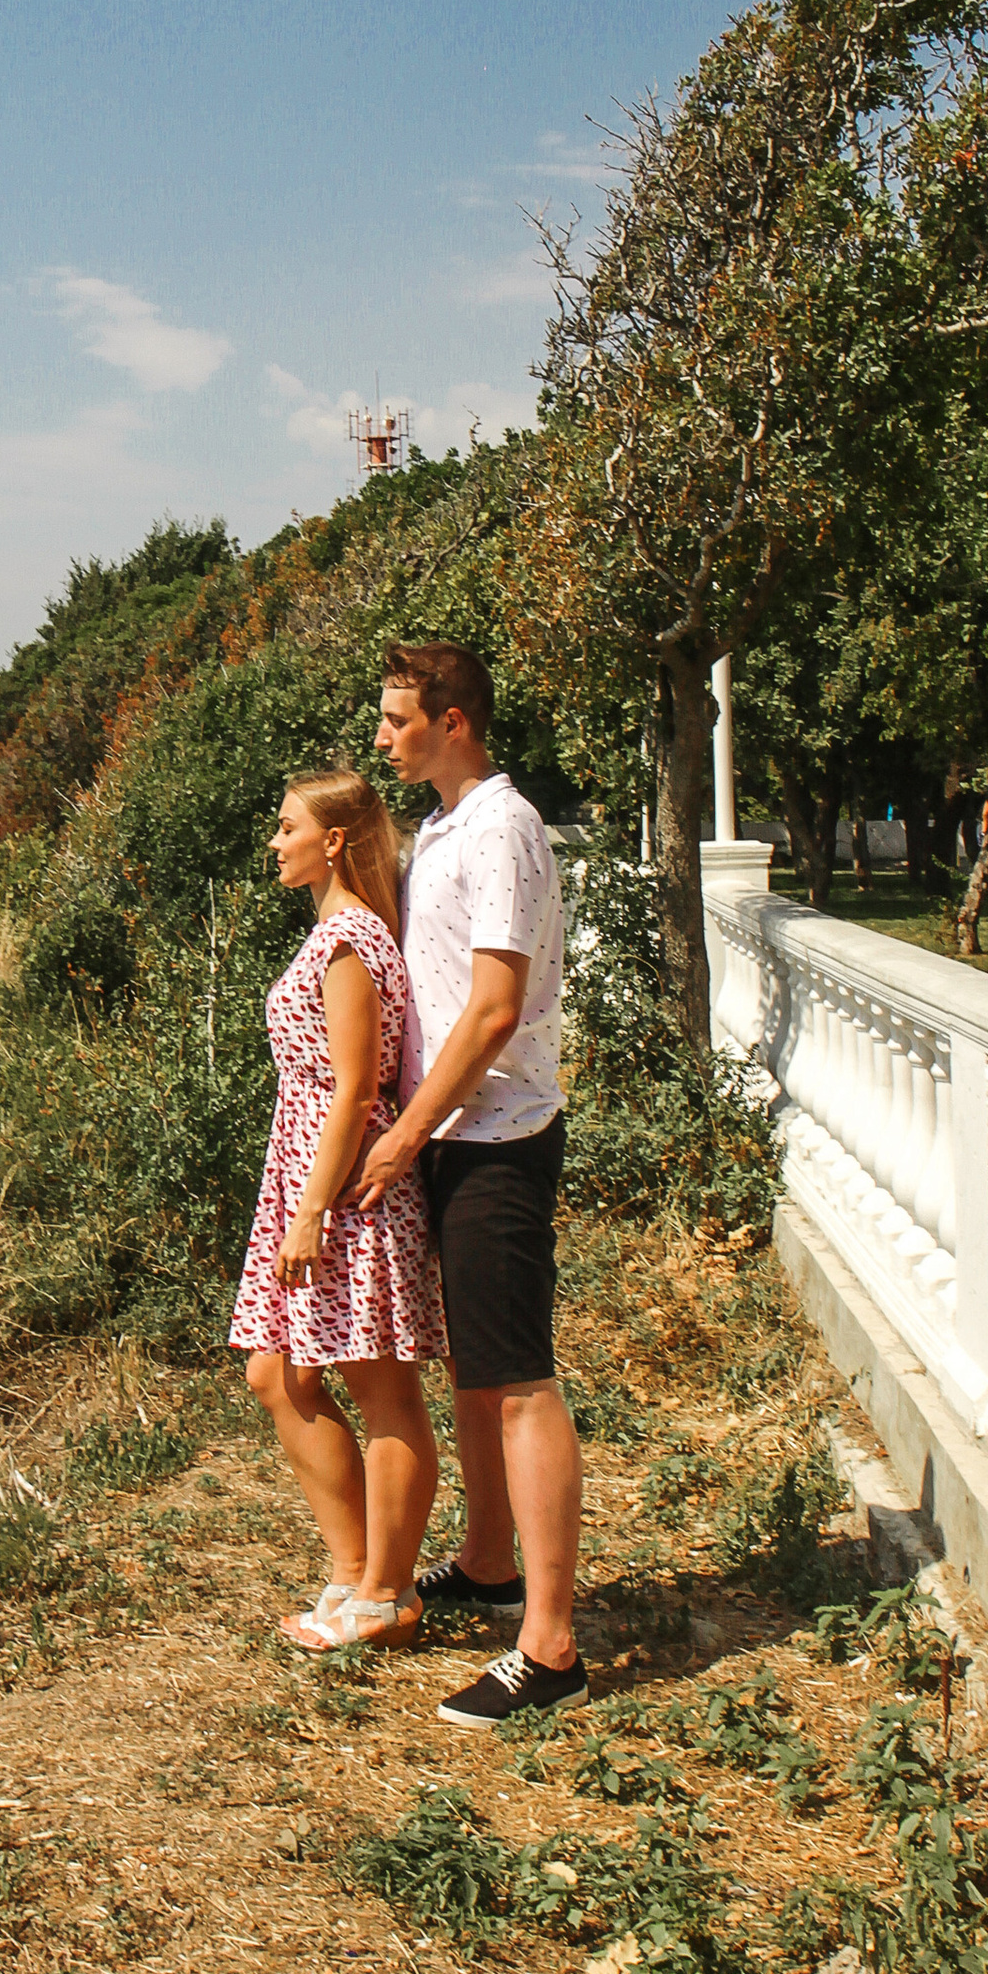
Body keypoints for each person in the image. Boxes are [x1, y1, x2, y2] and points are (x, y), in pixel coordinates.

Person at [353, 641, 587, 1729]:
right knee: (474, 1372)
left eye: (398, 717)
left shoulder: (503, 828)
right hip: (452, 1131)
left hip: (493, 1134)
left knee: (522, 1379)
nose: (383, 735)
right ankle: (488, 1563)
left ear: (453, 720)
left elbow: (494, 1008)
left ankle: (548, 1644)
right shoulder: (445, 827)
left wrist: (405, 1133)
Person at [229, 771, 446, 1653]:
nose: (274, 842)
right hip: (311, 1176)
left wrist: (313, 1209)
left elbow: (357, 1089)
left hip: (348, 1189)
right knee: (278, 1377)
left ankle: (386, 1592)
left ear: (332, 841)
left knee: (381, 1386)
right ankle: (354, 1573)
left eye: (288, 828)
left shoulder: (351, 940)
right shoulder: (333, 934)